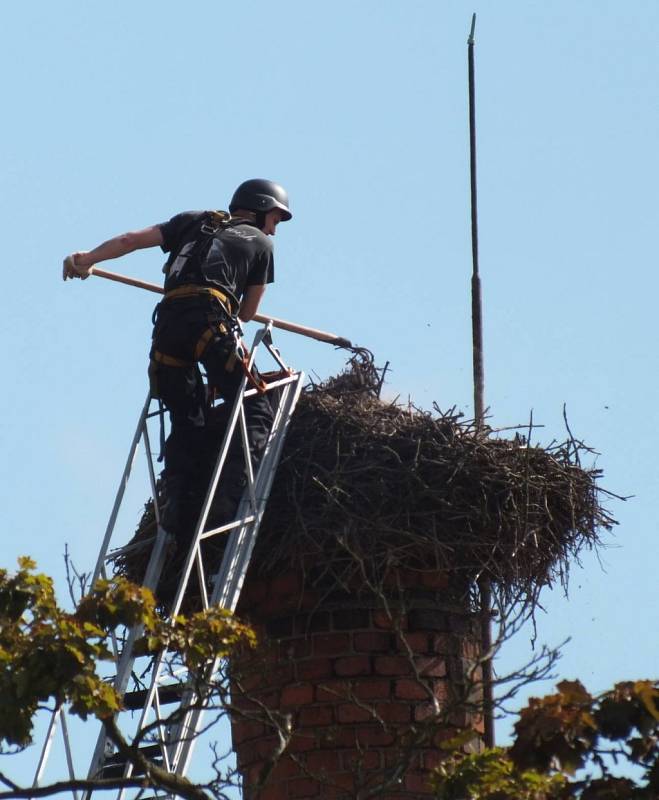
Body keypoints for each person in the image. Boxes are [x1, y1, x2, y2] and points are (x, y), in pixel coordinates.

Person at [63, 178, 292, 535]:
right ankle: (227, 497)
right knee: (257, 406)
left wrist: (87, 259)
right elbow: (247, 313)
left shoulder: (193, 219)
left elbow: (129, 240)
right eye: (276, 220)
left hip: (167, 328)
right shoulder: (262, 244)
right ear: (263, 209)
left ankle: (175, 505)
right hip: (211, 323)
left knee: (188, 419)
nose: (274, 230)